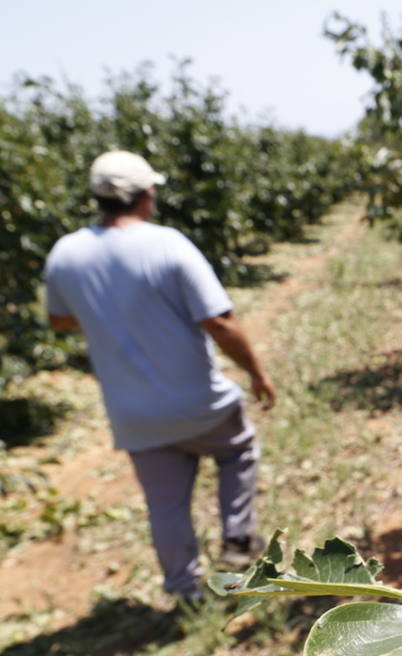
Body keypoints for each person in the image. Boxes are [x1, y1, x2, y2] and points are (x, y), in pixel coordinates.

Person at [44, 150, 276, 604]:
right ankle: (237, 540)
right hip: (199, 403)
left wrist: (106, 311)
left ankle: (185, 593)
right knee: (238, 452)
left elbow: (59, 320)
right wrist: (256, 373)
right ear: (146, 195)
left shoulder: (66, 253)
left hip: (134, 415)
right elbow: (220, 322)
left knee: (165, 505)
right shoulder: (167, 244)